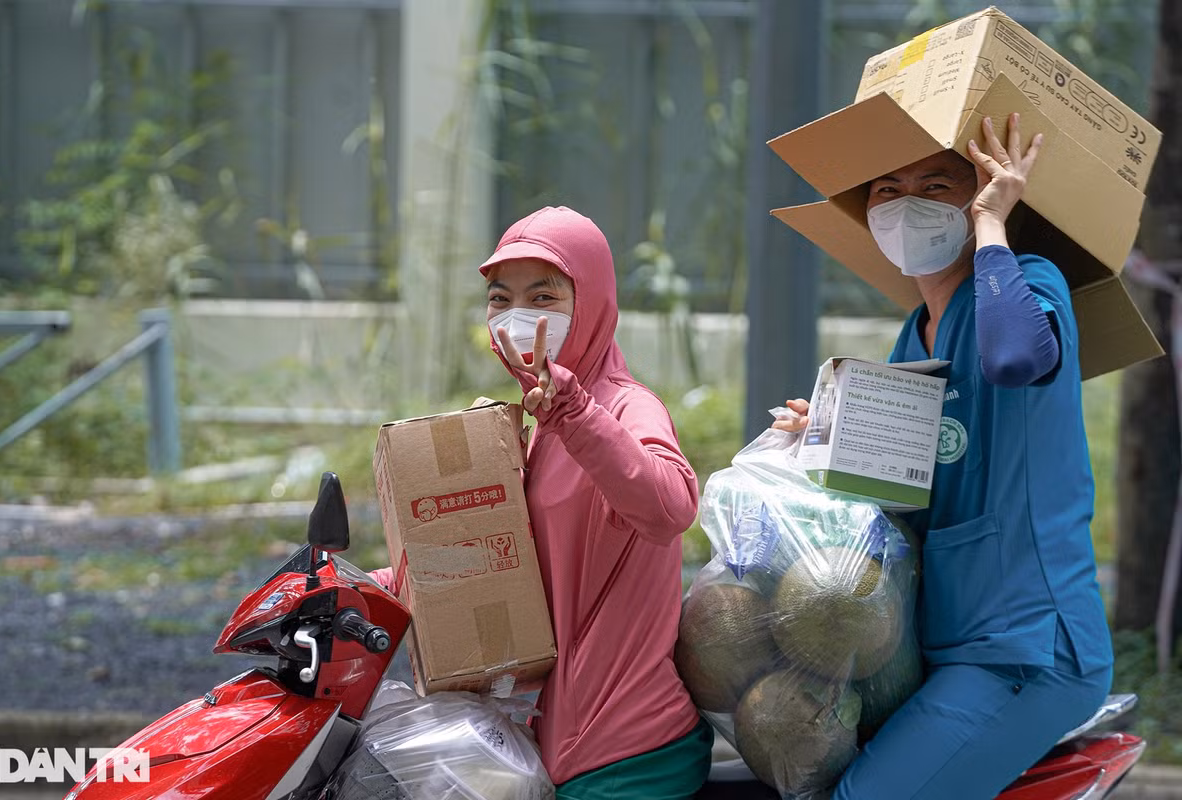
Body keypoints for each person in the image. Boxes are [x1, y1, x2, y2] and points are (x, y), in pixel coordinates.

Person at [773, 114, 1114, 800]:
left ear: (979, 193)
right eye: (887, 190)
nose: (906, 206)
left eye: (936, 186)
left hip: (1026, 648)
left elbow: (1014, 356)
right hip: (951, 643)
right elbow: (905, 493)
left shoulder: (1027, 282)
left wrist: (993, 225)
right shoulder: (913, 335)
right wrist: (830, 436)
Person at [376, 206, 712, 799]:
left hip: (627, 748)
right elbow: (506, 559)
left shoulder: (625, 408)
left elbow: (671, 508)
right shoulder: (530, 424)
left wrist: (578, 415)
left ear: (592, 303)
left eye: (544, 296)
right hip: (552, 742)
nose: (517, 316)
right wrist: (368, 583)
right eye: (500, 299)